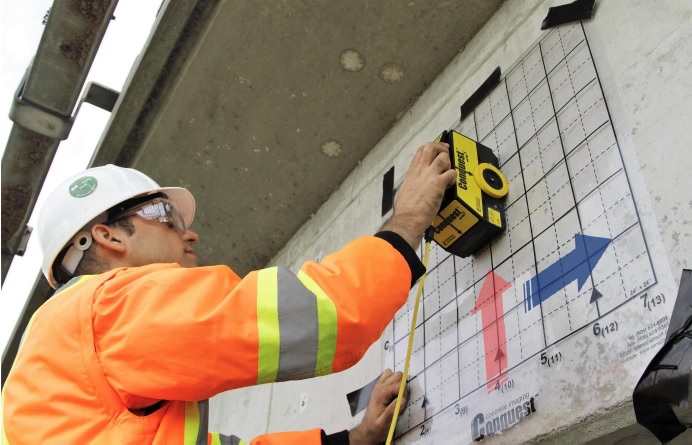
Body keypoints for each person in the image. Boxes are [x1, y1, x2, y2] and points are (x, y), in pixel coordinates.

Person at [2, 142, 455, 444]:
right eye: (166, 216)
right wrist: (407, 220)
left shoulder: (56, 362)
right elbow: (324, 316)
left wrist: (351, 440)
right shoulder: (108, 311)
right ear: (109, 237)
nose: (190, 234)